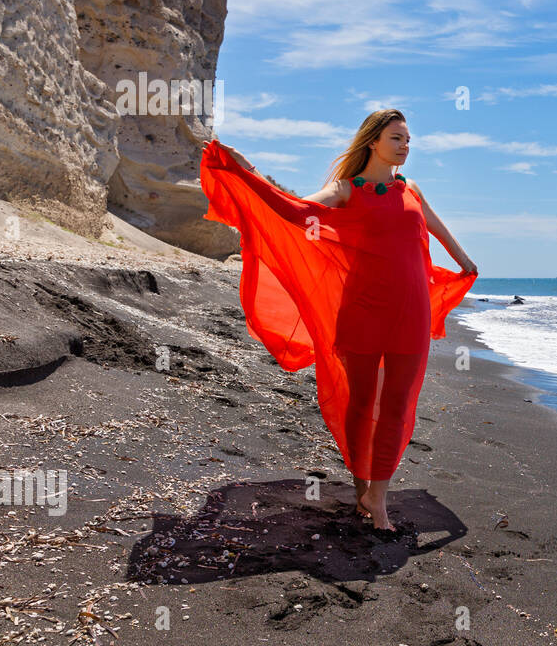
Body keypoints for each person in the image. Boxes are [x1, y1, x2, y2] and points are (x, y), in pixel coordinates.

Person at [199, 108, 478, 532]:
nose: (405, 146)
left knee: (398, 406)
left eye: (408, 140)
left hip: (411, 312)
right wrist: (246, 171)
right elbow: (295, 211)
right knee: (362, 402)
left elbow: (438, 233)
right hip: (361, 311)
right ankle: (361, 484)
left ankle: (378, 499)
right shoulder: (345, 189)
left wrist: (465, 264)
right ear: (373, 142)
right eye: (397, 138)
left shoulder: (413, 191)